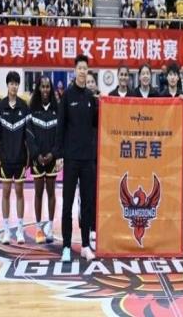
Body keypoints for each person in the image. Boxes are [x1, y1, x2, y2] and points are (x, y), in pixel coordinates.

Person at [57, 54, 98, 262]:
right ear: (75, 71)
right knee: (68, 204)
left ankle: (85, 245)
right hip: (71, 158)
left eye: (85, 68)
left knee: (87, 204)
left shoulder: (91, 98)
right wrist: (59, 154)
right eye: (80, 68)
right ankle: (66, 246)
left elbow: (97, 124)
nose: (82, 71)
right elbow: (60, 126)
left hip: (88, 159)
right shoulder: (67, 96)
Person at [0, 71, 30, 245]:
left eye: (16, 83)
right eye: (11, 83)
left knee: (20, 193)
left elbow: (28, 135)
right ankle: (7, 231)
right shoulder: (0, 107)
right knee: (6, 193)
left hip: (20, 157)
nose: (14, 86)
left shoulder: (24, 106)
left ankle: (20, 231)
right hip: (6, 158)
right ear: (7, 85)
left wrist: (28, 155)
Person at [26, 76, 59, 244]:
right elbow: (29, 135)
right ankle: (39, 228)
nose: (45, 89)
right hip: (37, 159)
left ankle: (50, 227)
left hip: (52, 158)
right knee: (38, 193)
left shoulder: (57, 110)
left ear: (50, 89)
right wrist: (36, 154)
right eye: (42, 86)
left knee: (51, 193)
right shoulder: (32, 110)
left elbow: (60, 135)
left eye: (47, 87)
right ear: (38, 88)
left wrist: (53, 154)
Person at [85, 71, 100, 249]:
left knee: (97, 194)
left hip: (101, 155)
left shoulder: (102, 103)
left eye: (92, 82)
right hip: (84, 155)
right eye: (87, 82)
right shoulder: (80, 101)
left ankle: (95, 227)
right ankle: (87, 226)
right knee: (86, 194)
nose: (89, 84)